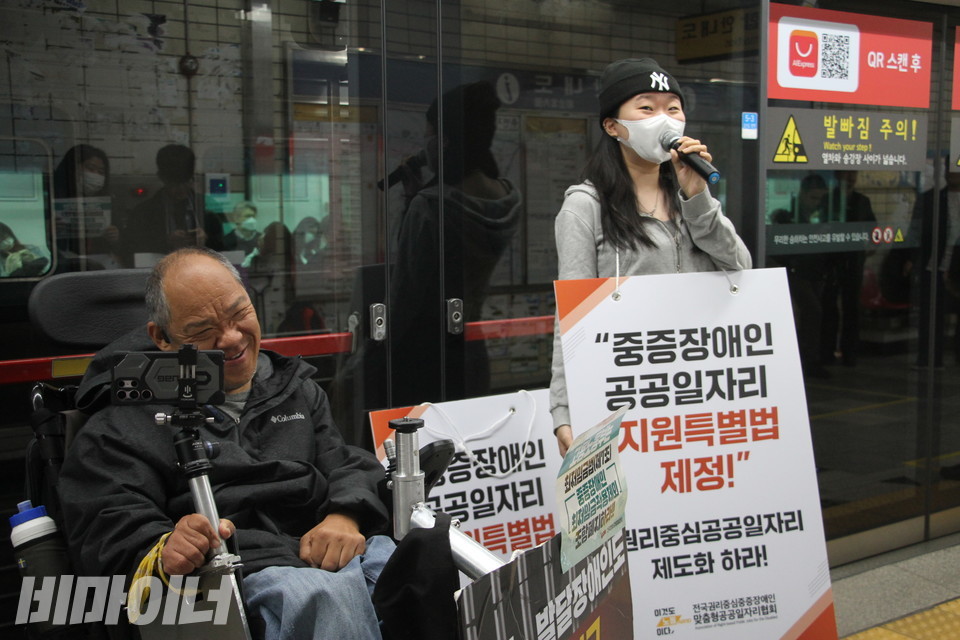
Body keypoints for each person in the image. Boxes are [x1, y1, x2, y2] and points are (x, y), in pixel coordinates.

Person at [58, 247, 394, 640]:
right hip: (229, 580)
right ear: (162, 338)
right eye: (203, 330)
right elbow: (109, 524)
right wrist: (166, 546)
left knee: (413, 563)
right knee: (314, 596)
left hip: (320, 553)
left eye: (240, 313)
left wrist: (345, 516)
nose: (232, 338)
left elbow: (343, 463)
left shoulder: (295, 389)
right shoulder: (120, 424)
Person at [550, 58, 751, 457]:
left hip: (696, 380)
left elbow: (740, 269)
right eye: (646, 108)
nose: (664, 119)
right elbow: (571, 316)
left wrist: (698, 199)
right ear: (612, 126)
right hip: (626, 386)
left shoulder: (690, 196)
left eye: (673, 108)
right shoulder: (584, 207)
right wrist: (563, 409)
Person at [390, 80, 522, 406]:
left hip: (425, 358)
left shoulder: (430, 205)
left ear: (445, 140)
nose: (426, 144)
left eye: (430, 134)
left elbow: (407, 293)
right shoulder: (509, 197)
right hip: (474, 348)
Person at [769, 173, 831, 378]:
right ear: (803, 195)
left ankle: (810, 358)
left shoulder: (821, 216)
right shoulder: (786, 217)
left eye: (820, 199)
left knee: (813, 314)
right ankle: (806, 360)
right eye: (813, 198)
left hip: (813, 271)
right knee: (812, 311)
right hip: (793, 272)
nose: (816, 203)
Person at [122, 144, 223, 264]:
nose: (181, 189)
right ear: (162, 178)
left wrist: (207, 240)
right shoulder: (143, 213)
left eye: (186, 182)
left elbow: (229, 245)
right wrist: (165, 242)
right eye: (174, 184)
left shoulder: (208, 208)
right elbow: (130, 250)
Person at [820, 171, 876, 367]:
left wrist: (870, 247)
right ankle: (827, 351)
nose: (851, 178)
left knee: (852, 307)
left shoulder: (862, 201)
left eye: (854, 174)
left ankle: (850, 353)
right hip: (832, 261)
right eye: (847, 174)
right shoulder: (828, 200)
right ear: (837, 176)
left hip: (854, 260)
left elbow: (872, 228)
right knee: (829, 307)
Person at [52, 144, 121, 269]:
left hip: (101, 265)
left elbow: (127, 244)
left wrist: (115, 237)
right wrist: (47, 231)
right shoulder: (51, 197)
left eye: (101, 172)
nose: (95, 175)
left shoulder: (110, 203)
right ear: (73, 169)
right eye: (90, 168)